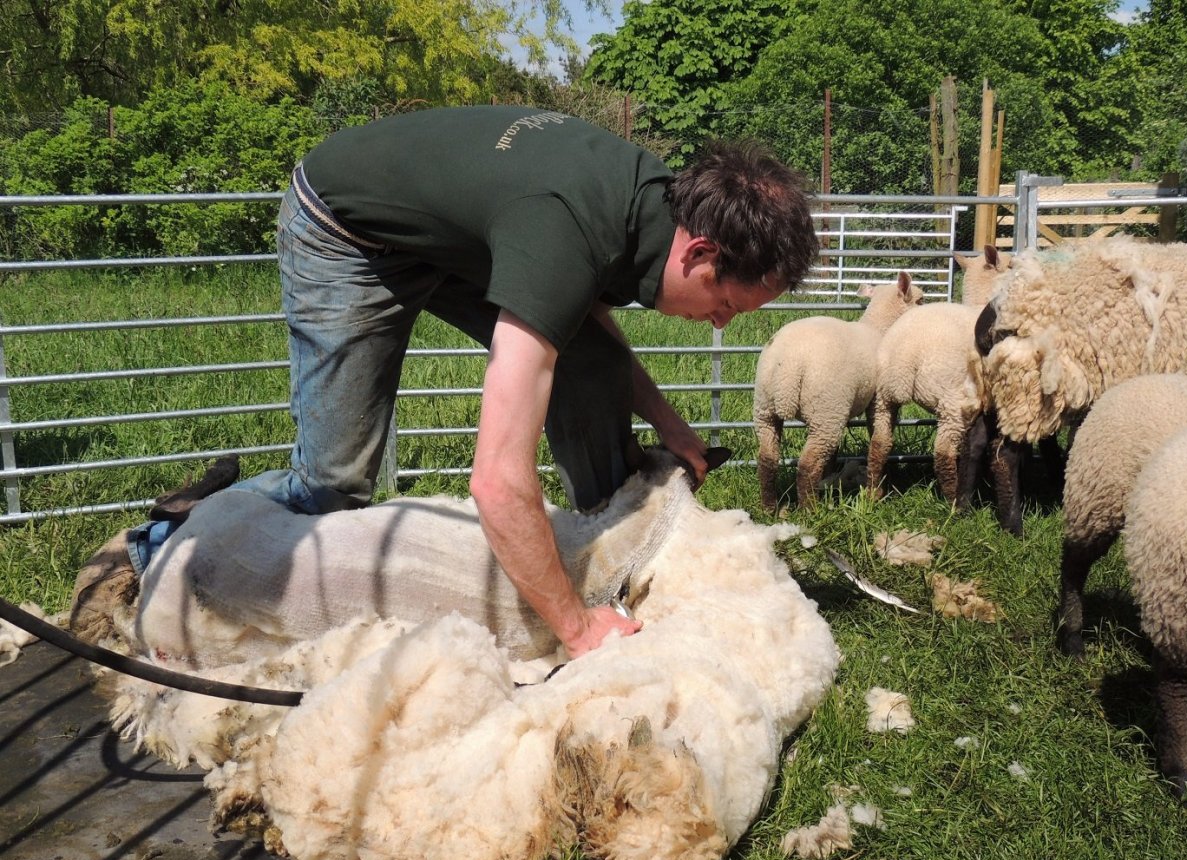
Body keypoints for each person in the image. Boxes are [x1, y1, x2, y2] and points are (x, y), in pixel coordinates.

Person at [82, 105, 820, 659]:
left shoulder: (654, 208)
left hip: (454, 233)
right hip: (347, 229)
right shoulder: (569, 231)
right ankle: (167, 537)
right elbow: (495, 479)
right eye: (727, 305)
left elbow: (587, 327)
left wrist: (669, 425)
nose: (720, 324)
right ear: (699, 254)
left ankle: (607, 554)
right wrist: (575, 633)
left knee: (592, 365)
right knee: (335, 482)